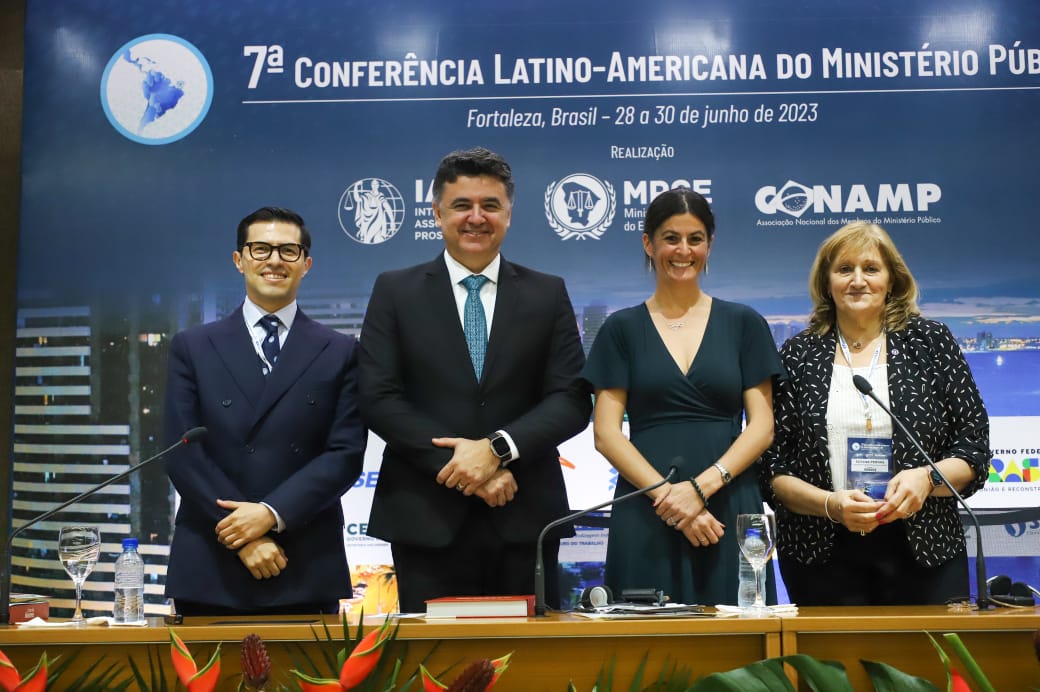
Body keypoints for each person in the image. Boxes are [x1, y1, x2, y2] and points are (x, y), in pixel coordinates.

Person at [358, 147, 591, 613]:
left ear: (509, 212)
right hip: (425, 514)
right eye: (462, 205)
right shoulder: (395, 290)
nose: (476, 218)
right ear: (437, 212)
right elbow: (378, 397)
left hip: (525, 514)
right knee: (433, 675)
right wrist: (467, 468)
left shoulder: (547, 293)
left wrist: (497, 449)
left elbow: (570, 398)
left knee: (528, 671)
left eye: (490, 205)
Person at [761, 221, 990, 605]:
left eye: (871, 269)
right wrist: (830, 505)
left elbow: (975, 446)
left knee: (927, 666)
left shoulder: (930, 342)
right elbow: (771, 465)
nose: (857, 280)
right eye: (844, 269)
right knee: (831, 667)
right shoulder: (798, 355)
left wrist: (926, 478)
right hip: (820, 550)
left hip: (925, 546)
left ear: (892, 280)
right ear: (827, 282)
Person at [582, 188, 784, 606]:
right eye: (671, 238)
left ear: (710, 245)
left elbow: (762, 428)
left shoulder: (744, 323)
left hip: (728, 507)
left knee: (740, 646)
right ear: (648, 243)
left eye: (695, 239)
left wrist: (701, 489)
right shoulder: (621, 329)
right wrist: (670, 498)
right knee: (645, 646)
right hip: (646, 508)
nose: (683, 250)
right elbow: (606, 434)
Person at [163, 206, 367, 615]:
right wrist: (245, 534)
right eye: (260, 249)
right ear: (239, 260)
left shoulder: (341, 350)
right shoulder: (193, 346)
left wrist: (271, 514)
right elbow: (181, 451)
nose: (274, 260)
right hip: (211, 556)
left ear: (306, 264)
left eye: (288, 251)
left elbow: (344, 454)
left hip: (305, 560)